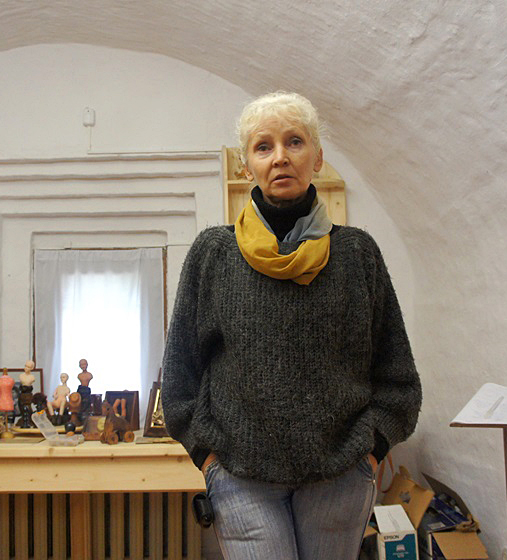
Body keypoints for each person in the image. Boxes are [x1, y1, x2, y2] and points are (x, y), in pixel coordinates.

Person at [161, 91, 422, 560]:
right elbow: (180, 374)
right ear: (247, 166)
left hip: (341, 477)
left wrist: (370, 451)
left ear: (317, 158)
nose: (280, 157)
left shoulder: (357, 254)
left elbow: (397, 375)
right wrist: (208, 457)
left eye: (295, 142)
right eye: (263, 146)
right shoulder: (213, 254)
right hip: (240, 478)